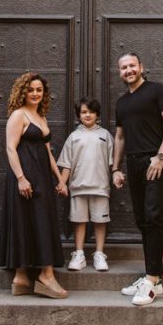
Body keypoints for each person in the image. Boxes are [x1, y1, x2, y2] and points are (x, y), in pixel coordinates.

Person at [112, 53, 163, 306]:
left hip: (155, 162)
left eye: (132, 65)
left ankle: (151, 279)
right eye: (123, 68)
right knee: (142, 219)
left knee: (152, 215)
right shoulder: (121, 102)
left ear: (141, 67)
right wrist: (115, 168)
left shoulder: (157, 91)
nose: (128, 70)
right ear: (119, 72)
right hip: (133, 162)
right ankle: (155, 277)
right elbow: (120, 137)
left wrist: (160, 157)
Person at [0, 72, 69, 299]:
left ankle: (24, 278)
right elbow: (10, 148)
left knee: (40, 219)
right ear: (23, 92)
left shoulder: (41, 117)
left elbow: (47, 152)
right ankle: (39, 276)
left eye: (39, 90)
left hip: (41, 177)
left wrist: (59, 179)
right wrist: (20, 178)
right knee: (24, 219)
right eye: (31, 90)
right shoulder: (18, 115)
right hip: (25, 175)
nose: (36, 93)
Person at [57, 97, 114, 272]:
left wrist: (116, 175)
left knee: (99, 221)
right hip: (78, 187)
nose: (87, 115)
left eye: (91, 111)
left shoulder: (105, 135)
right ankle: (79, 253)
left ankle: (99, 254)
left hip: (100, 187)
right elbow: (67, 163)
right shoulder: (74, 137)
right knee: (79, 220)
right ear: (78, 115)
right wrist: (62, 182)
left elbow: (113, 162)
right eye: (83, 112)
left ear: (97, 114)